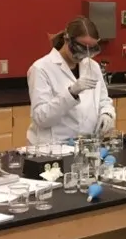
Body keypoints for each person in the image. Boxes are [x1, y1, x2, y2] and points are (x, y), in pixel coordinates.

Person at [27, 16, 115, 145]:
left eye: (89, 51)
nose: (83, 56)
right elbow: (41, 118)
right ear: (67, 39)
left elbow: (103, 100)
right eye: (80, 49)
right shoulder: (41, 68)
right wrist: (71, 93)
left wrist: (107, 114)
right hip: (53, 147)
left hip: (87, 145)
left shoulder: (92, 66)